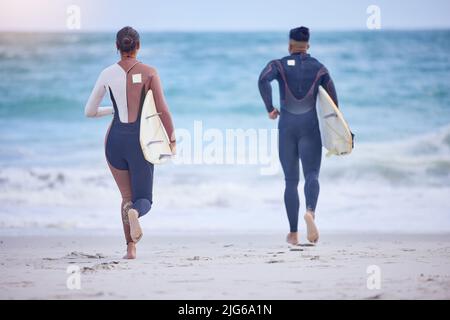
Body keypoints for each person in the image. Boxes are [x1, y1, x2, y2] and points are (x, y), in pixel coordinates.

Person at [84, 26, 176, 259]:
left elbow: (90, 111)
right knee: (143, 199)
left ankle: (130, 248)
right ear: (138, 46)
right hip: (140, 142)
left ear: (117, 47)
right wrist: (172, 140)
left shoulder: (106, 73)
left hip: (113, 141)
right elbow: (163, 110)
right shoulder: (150, 72)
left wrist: (113, 110)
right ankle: (136, 213)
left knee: (125, 197)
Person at [258, 26, 338, 245]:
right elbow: (333, 104)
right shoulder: (319, 69)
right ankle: (310, 212)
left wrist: (270, 108)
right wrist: (338, 132)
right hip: (309, 128)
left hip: (287, 128)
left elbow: (262, 80)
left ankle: (293, 234)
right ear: (308, 46)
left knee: (291, 181)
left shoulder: (278, 65)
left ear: (289, 45)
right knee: (312, 174)